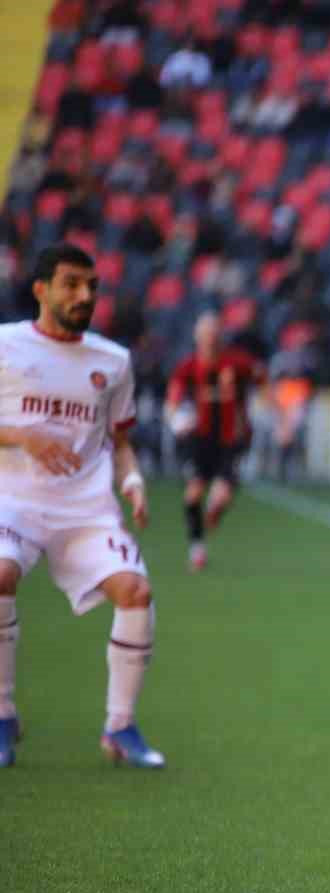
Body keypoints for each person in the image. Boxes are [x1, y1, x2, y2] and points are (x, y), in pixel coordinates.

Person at [0, 243, 162, 769]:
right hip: (13, 502)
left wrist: (132, 480)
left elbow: (121, 440)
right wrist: (23, 436)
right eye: (71, 284)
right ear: (41, 289)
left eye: (92, 286)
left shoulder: (113, 361)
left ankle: (121, 726)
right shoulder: (5, 345)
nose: (85, 295)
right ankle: (2, 716)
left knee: (136, 592)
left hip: (85, 510)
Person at [166, 311, 266, 571]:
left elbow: (262, 378)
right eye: (205, 334)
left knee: (220, 498)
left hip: (232, 440)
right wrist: (175, 416)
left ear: (220, 335)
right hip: (200, 439)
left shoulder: (237, 362)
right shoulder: (188, 366)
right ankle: (197, 549)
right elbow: (173, 398)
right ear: (197, 336)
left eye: (213, 333)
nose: (209, 339)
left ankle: (215, 511)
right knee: (193, 495)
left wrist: (278, 414)